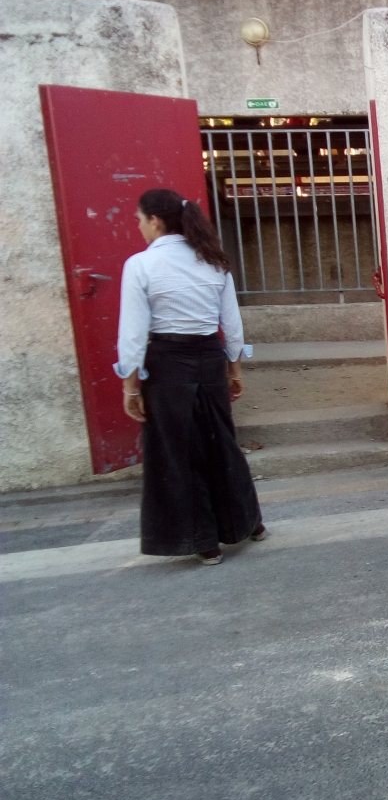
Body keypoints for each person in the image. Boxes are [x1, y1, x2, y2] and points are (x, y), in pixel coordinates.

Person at [115, 189, 264, 565]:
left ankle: (203, 540)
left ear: (155, 221)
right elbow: (231, 324)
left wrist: (130, 386)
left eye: (139, 219)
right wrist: (234, 369)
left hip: (167, 362)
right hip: (209, 357)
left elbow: (133, 333)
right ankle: (248, 523)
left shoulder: (141, 265)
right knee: (221, 443)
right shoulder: (213, 260)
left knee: (178, 452)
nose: (139, 226)